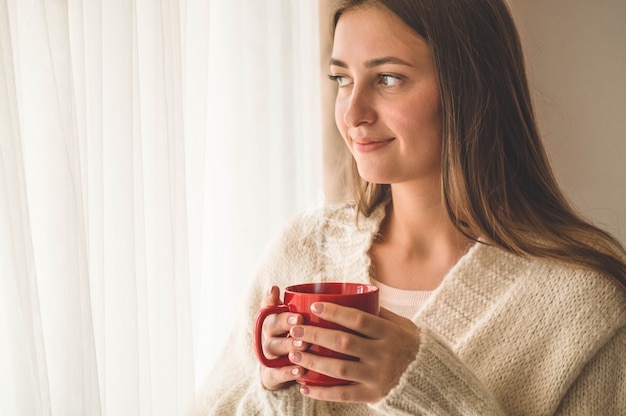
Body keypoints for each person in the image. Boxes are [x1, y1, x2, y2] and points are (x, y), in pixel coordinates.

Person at [188, 0, 626, 414]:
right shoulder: (302, 251)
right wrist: (278, 395)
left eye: (388, 79)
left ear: (468, 87)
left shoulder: (584, 303)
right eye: (342, 79)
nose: (352, 112)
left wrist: (429, 390)